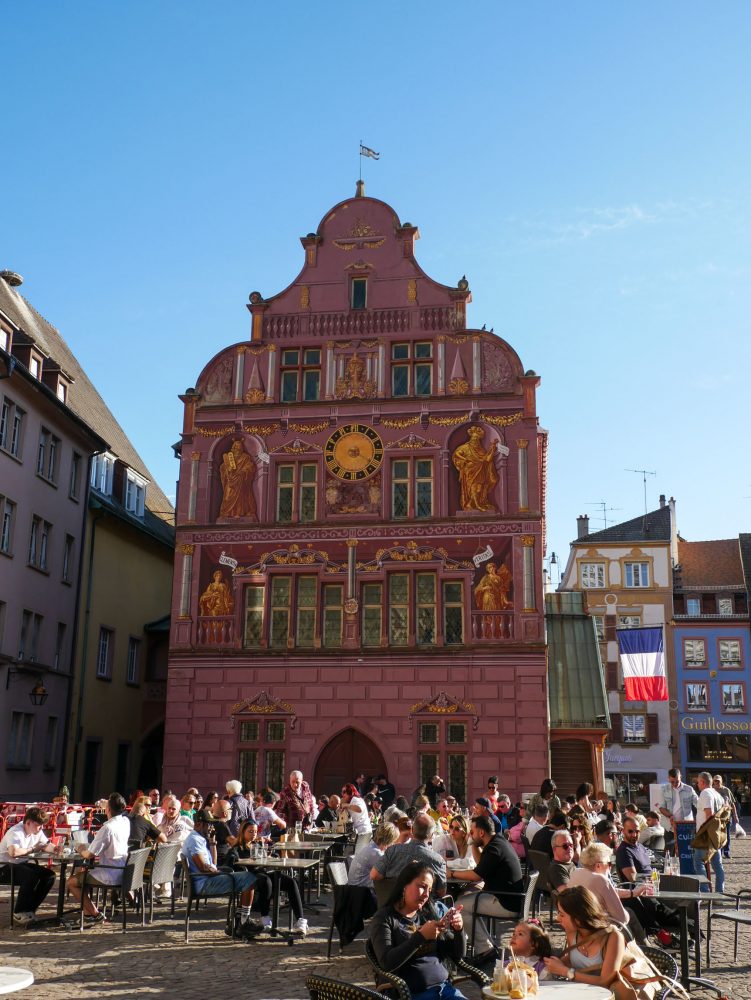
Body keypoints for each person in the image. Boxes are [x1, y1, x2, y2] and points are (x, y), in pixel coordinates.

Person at [369, 861, 467, 1000]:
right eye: (422, 887)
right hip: (410, 994)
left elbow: (458, 955)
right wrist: (420, 937)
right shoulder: (385, 918)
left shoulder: (427, 914)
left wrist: (459, 930)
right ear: (404, 885)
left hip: (445, 990)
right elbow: (387, 963)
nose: (426, 894)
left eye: (429, 890)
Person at [449, 814, 524, 963]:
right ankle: (486, 947)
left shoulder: (494, 848)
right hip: (508, 897)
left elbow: (476, 875)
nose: (470, 834)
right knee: (464, 902)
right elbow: (481, 865)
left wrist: (451, 873)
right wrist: (473, 844)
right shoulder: (497, 841)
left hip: (505, 902)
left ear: (481, 833)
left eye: (472, 832)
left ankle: (485, 950)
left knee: (459, 906)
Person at [183, 810, 262, 936]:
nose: (211, 827)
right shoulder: (195, 840)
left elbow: (212, 863)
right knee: (249, 878)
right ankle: (243, 921)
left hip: (207, 879)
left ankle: (238, 922)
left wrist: (212, 842)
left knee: (247, 878)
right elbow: (203, 867)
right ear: (198, 824)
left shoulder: (200, 838)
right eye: (208, 824)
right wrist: (218, 872)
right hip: (204, 884)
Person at [543, 887, 631, 996]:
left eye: (562, 915)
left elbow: (605, 981)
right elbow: (574, 959)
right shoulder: (572, 932)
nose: (558, 919)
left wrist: (565, 971)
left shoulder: (613, 937)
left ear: (579, 919)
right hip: (576, 994)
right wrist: (549, 964)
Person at [228, 819, 307, 934]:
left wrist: (270, 855)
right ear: (242, 832)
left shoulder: (257, 845)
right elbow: (231, 861)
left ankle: (300, 921)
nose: (253, 834)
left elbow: (270, 855)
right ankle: (266, 919)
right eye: (250, 831)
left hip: (264, 871)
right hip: (251, 876)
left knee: (291, 882)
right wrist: (245, 860)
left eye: (255, 832)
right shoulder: (238, 848)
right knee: (266, 881)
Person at [570, 842, 648, 946]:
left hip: (577, 922)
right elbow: (622, 918)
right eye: (609, 863)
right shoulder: (600, 880)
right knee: (629, 914)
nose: (610, 867)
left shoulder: (576, 873)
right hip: (597, 926)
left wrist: (633, 893)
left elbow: (609, 891)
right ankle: (643, 951)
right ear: (598, 865)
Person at [68, 793, 131, 922]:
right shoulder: (125, 821)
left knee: (72, 882)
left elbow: (89, 854)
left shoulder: (107, 828)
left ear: (108, 809)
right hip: (122, 870)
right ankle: (88, 913)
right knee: (82, 876)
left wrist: (78, 847)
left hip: (109, 873)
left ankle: (95, 914)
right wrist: (107, 804)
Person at [0, 806, 59, 923]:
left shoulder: (36, 830)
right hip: (3, 866)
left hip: (19, 864)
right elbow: (13, 852)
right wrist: (33, 849)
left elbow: (45, 844)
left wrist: (56, 848)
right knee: (30, 875)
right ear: (28, 823)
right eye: (38, 825)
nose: (41, 828)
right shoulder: (16, 832)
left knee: (49, 875)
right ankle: (19, 912)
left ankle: (30, 909)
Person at [371, 813, 446, 892]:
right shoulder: (438, 861)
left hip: (391, 902)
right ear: (431, 836)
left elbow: (374, 875)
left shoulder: (393, 850)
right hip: (422, 903)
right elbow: (442, 892)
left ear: (412, 830)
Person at [693, 771, 729, 893]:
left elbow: (709, 814)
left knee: (698, 862)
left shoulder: (705, 793)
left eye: (698, 782)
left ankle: (705, 893)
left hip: (706, 835)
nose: (697, 784)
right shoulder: (717, 794)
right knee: (717, 865)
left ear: (702, 782)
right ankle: (719, 893)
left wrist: (705, 834)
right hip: (716, 834)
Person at [452, 425, 499, 511]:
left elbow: (488, 459)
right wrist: (465, 459)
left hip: (481, 472)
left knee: (479, 489)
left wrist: (492, 449)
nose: (475, 440)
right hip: (470, 472)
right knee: (474, 488)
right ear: (471, 438)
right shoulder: (465, 447)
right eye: (474, 438)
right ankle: (477, 505)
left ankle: (472, 503)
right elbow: (456, 454)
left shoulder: (481, 450)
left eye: (477, 439)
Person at [348, 821, 400, 888]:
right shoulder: (376, 853)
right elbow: (391, 873)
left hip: (355, 888)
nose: (393, 844)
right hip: (360, 892)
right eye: (393, 841)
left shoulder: (371, 846)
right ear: (388, 840)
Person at [219, 439, 257, 519]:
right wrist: (227, 468)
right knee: (228, 496)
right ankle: (227, 513)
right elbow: (222, 467)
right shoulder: (229, 457)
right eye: (236, 445)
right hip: (230, 480)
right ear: (233, 447)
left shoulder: (245, 457)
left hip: (241, 479)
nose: (238, 447)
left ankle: (239, 513)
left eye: (239, 445)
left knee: (240, 498)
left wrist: (243, 472)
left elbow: (250, 466)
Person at [659, 768, 698, 835]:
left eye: (677, 781)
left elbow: (698, 803)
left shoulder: (689, 789)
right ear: (668, 778)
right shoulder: (664, 789)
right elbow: (661, 808)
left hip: (686, 826)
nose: (675, 784)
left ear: (681, 777)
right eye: (672, 782)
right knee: (669, 845)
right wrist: (670, 816)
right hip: (669, 827)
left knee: (686, 845)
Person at [712, 775, 738, 859]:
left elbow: (732, 803)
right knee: (718, 835)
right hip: (716, 817)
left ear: (721, 781)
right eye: (715, 781)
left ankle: (726, 852)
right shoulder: (711, 791)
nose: (716, 782)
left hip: (726, 817)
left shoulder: (726, 790)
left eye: (718, 781)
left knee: (726, 835)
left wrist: (735, 815)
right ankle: (719, 852)